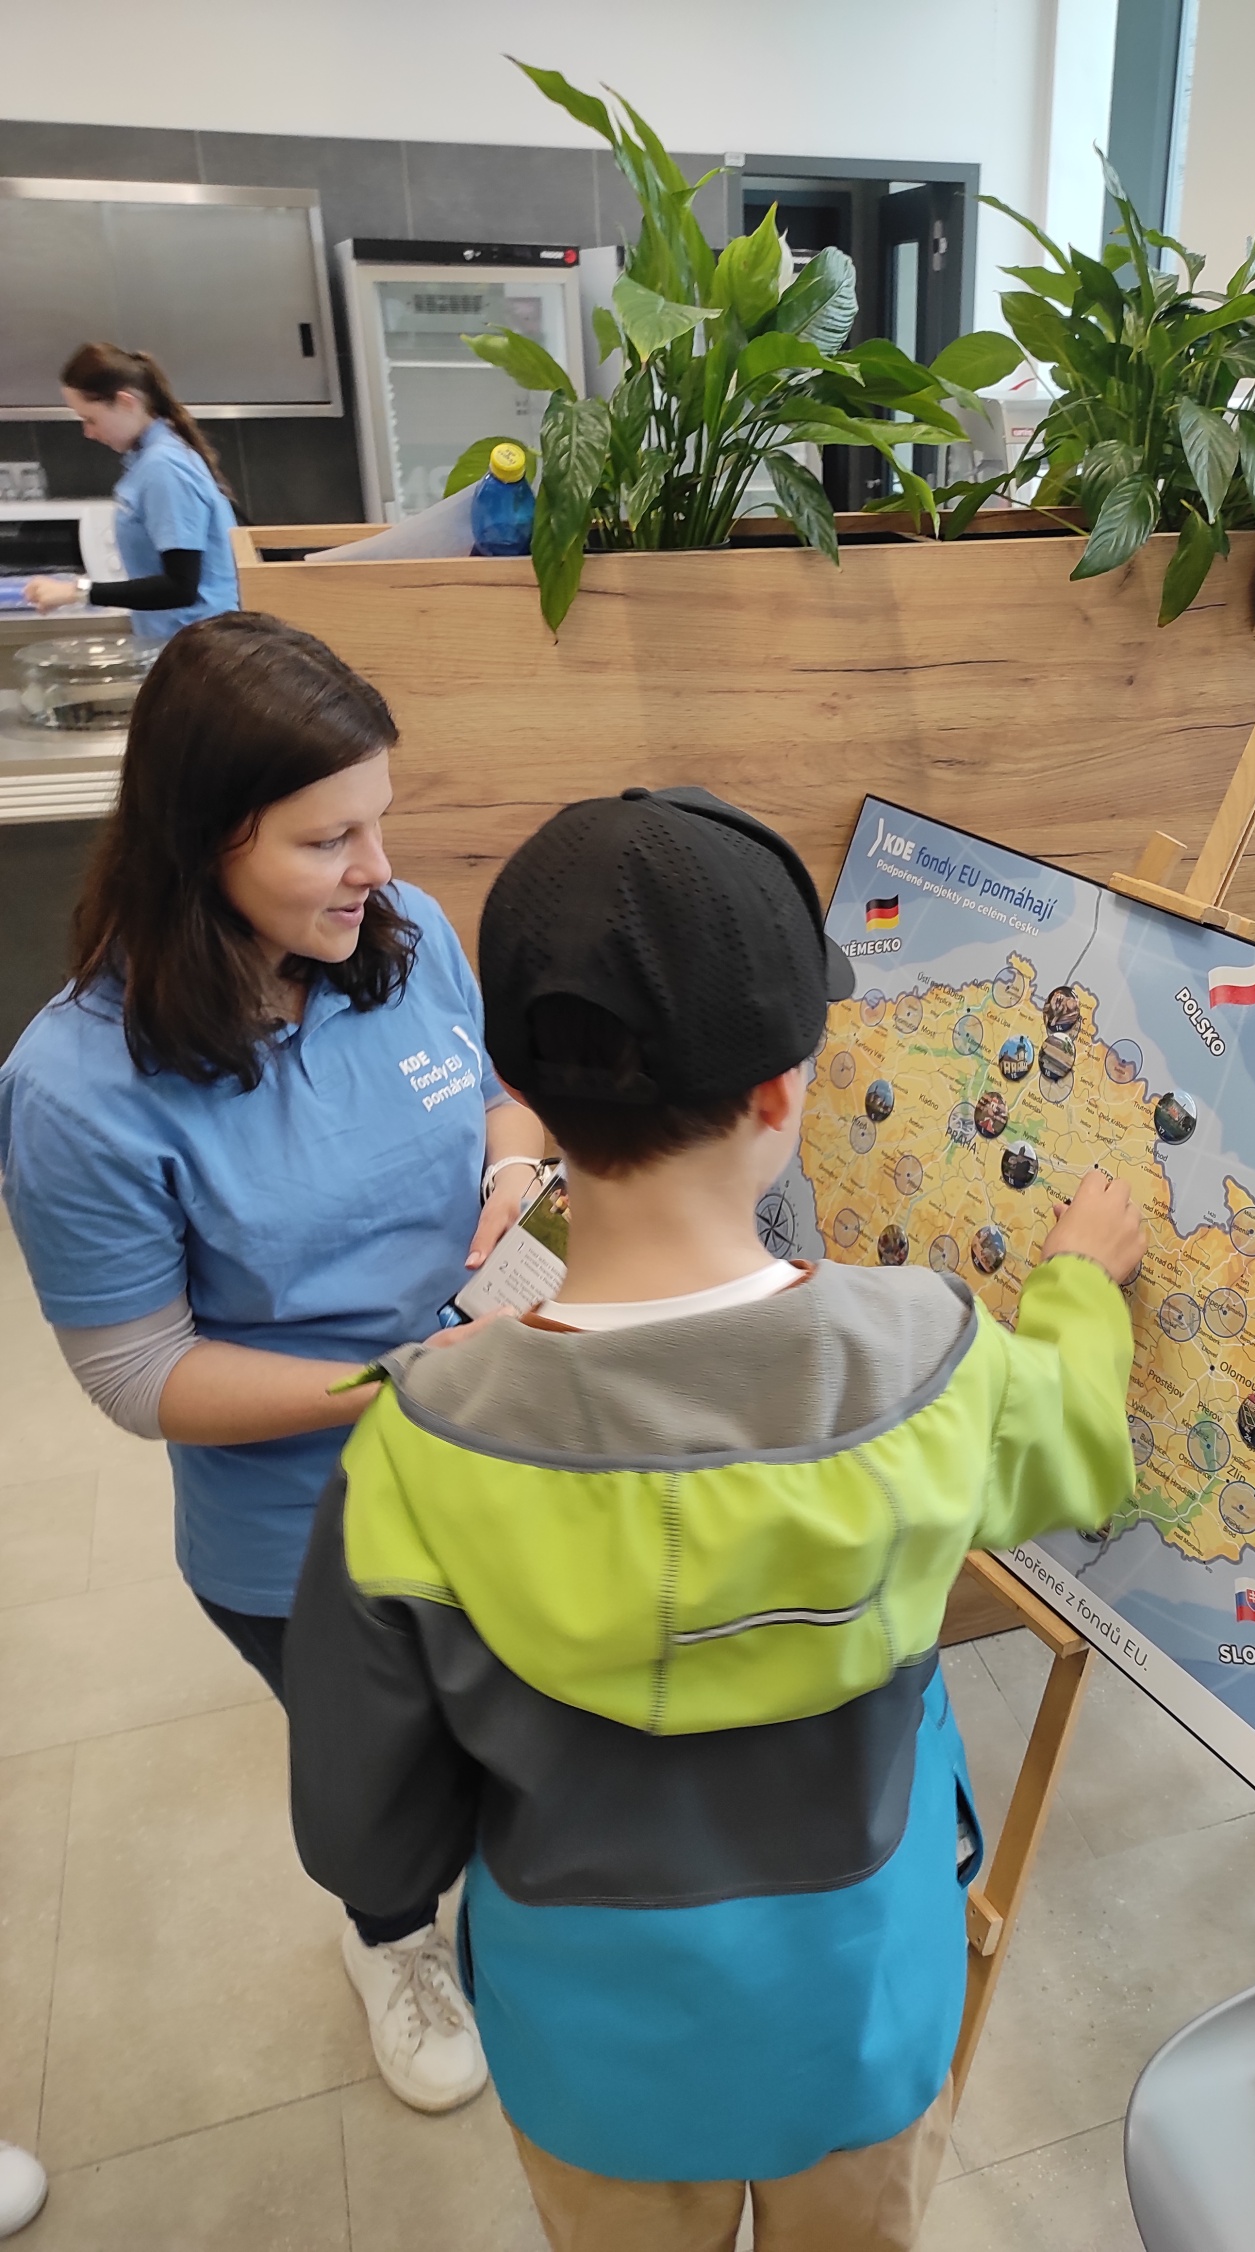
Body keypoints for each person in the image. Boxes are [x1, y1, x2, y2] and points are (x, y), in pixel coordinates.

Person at [285, 784, 1144, 2249]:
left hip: (586, 2048)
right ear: (781, 1097)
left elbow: (368, 1837)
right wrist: (1073, 1284)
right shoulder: (938, 1357)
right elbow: (1079, 1458)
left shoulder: (412, 1446)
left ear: (527, 1095)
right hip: (864, 2012)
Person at [0, 613, 547, 2114]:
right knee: (379, 1776)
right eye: (326, 841)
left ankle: (500, 1910)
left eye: (378, 820)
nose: (377, 867)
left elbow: (496, 1093)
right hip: (300, 1527)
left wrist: (513, 1168)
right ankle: (389, 1940)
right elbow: (139, 1376)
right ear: (201, 842)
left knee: (498, 1721)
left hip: (486, 1454)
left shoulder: (404, 935)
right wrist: (398, 1381)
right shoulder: (75, 1088)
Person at [22, 343, 240, 641]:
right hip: (182, 641)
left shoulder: (163, 467)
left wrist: (77, 592)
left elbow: (180, 587)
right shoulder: (150, 459)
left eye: (90, 419)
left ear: (126, 402)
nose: (88, 432)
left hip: (198, 645)